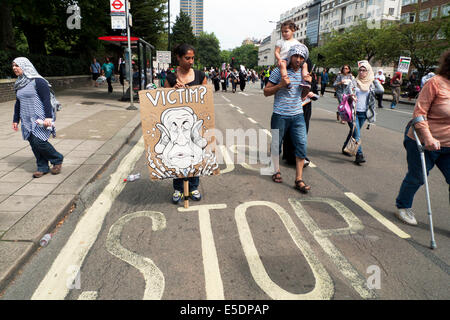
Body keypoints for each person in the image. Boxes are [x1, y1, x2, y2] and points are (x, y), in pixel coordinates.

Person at [394, 49, 450, 225]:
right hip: (423, 141)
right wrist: (428, 138)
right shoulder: (435, 83)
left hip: (448, 145)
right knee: (418, 176)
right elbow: (419, 113)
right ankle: (403, 206)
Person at [264, 44, 316, 193]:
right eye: (296, 56)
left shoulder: (303, 73)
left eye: (301, 57)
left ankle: (298, 179)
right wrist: (280, 84)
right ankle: (276, 171)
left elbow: (302, 95)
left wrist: (308, 84)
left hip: (297, 115)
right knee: (276, 144)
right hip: (279, 115)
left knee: (301, 145)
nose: (298, 60)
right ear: (291, 56)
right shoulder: (278, 71)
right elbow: (266, 92)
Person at [165, 43, 207, 204]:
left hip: (194, 124)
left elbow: (206, 99)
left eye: (192, 58)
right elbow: (163, 105)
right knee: (178, 156)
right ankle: (178, 188)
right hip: (176, 127)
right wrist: (172, 92)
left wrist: (192, 93)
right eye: (187, 58)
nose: (190, 61)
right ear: (178, 58)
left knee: (194, 155)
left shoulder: (200, 75)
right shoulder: (170, 78)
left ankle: (194, 186)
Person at [12, 57, 63, 178]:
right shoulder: (19, 83)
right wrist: (15, 119)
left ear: (25, 66)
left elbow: (46, 99)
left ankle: (57, 158)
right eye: (13, 65)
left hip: (40, 118)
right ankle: (42, 167)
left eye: (17, 65)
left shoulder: (38, 81)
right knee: (33, 144)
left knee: (39, 142)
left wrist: (49, 117)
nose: (14, 68)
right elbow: (18, 103)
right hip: (26, 118)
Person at [341, 60, 377, 165]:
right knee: (357, 134)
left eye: (364, 70)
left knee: (354, 132)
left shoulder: (371, 84)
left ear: (368, 71)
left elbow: (381, 90)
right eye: (360, 70)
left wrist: (375, 80)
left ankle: (345, 147)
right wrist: (350, 96)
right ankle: (359, 155)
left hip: (364, 113)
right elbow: (345, 93)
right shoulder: (354, 81)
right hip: (353, 113)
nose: (361, 72)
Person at [274, 20, 310, 91]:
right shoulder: (280, 42)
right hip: (284, 60)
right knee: (283, 65)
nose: (284, 34)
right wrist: (279, 59)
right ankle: (286, 80)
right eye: (282, 32)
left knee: (305, 64)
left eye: (286, 31)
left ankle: (305, 80)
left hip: (294, 61)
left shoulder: (297, 43)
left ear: (293, 30)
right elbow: (276, 52)